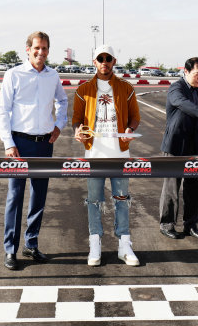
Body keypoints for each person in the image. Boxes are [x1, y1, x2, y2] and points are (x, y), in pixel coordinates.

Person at [0, 31, 68, 270]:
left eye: (45, 48)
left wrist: (58, 126)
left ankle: (31, 244)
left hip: (44, 144)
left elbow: (63, 101)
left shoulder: (53, 75)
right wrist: (8, 142)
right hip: (19, 143)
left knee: (39, 195)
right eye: (37, 48)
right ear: (27, 49)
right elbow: (3, 110)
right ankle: (10, 249)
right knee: (15, 196)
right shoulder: (13, 74)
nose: (41, 52)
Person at [72, 45, 141, 266]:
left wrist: (130, 130)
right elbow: (76, 119)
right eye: (100, 58)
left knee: (121, 199)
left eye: (108, 58)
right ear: (94, 62)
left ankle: (124, 245)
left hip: (120, 153)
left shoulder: (126, 88)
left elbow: (135, 117)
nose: (104, 62)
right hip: (94, 153)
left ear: (114, 61)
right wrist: (77, 131)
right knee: (94, 201)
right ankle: (95, 244)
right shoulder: (83, 90)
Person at [159, 57, 198, 240]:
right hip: (174, 145)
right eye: (197, 74)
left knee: (194, 187)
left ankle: (191, 224)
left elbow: (196, 119)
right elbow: (182, 104)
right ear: (186, 71)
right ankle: (167, 224)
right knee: (171, 188)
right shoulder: (176, 88)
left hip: (193, 145)